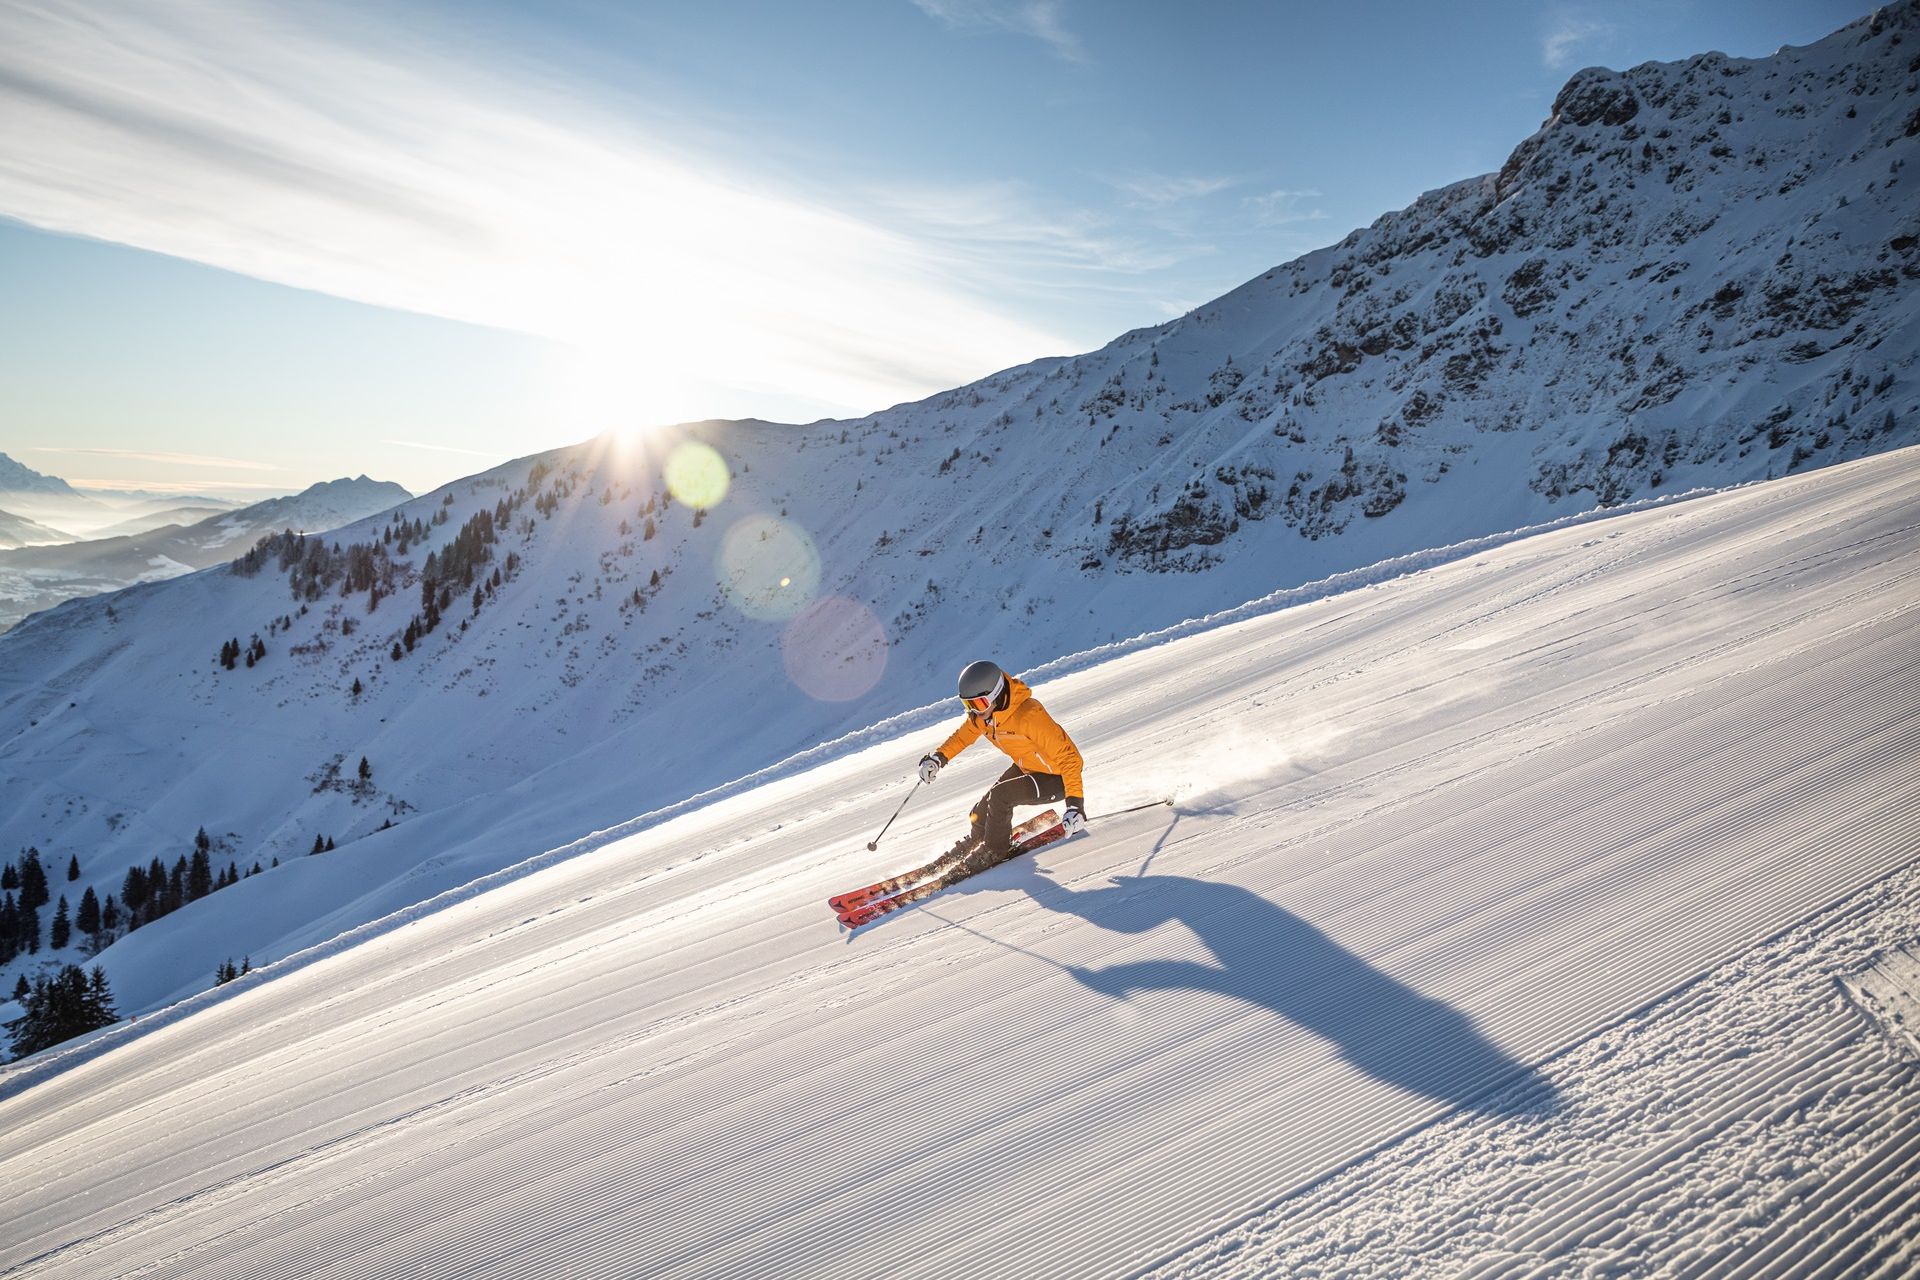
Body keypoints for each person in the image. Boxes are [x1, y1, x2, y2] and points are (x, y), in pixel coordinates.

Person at [916, 660, 1086, 885]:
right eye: (968, 705)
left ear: (996, 694)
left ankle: (995, 850)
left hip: (1058, 777)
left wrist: (1075, 806)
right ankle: (977, 839)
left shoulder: (1029, 715)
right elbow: (962, 737)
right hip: (1028, 766)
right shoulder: (985, 717)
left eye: (979, 702)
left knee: (1001, 796)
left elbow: (1070, 759)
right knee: (980, 811)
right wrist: (938, 759)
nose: (975, 710)